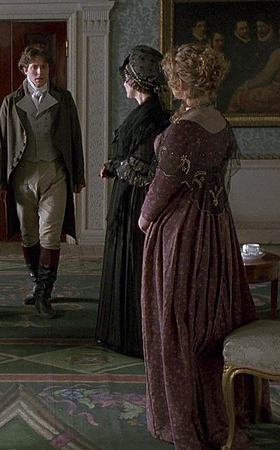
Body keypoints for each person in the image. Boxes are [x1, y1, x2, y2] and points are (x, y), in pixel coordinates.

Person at [138, 43, 268, 449]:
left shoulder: (184, 129)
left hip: (182, 233)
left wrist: (144, 218)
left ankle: (184, 418)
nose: (170, 82)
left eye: (174, 76)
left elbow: (164, 185)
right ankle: (215, 409)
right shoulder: (219, 122)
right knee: (210, 316)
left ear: (185, 82)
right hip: (215, 229)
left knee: (177, 320)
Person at [0, 45, 86, 319]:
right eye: (33, 66)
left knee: (50, 235)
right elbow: (1, 144)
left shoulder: (63, 99)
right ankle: (36, 283)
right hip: (22, 176)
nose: (39, 72)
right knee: (29, 235)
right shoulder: (11, 102)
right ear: (24, 69)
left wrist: (78, 176)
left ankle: (45, 294)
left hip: (55, 174)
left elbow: (75, 138)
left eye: (43, 66)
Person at [95, 46, 169, 358]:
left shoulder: (151, 116)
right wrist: (116, 166)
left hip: (137, 197)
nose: (124, 84)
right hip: (131, 193)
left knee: (134, 259)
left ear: (135, 81)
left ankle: (134, 336)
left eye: (126, 78)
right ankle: (126, 332)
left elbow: (141, 167)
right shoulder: (146, 112)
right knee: (128, 258)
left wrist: (115, 167)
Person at [228, 19, 280, 113]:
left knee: (238, 96)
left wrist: (246, 85)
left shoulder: (279, 53)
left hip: (278, 94)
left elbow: (265, 78)